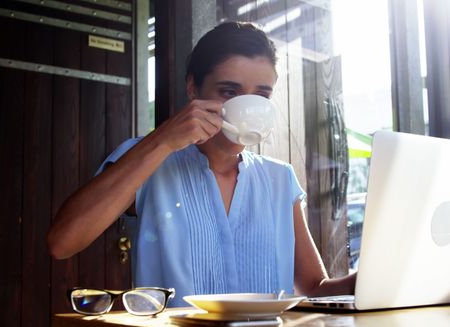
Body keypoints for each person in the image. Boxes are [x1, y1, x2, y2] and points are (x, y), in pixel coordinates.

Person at [47, 21, 355, 306]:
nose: (245, 107)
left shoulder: (280, 179)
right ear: (193, 88)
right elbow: (62, 242)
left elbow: (314, 288)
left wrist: (368, 282)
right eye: (229, 92)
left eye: (261, 95)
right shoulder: (151, 160)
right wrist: (164, 140)